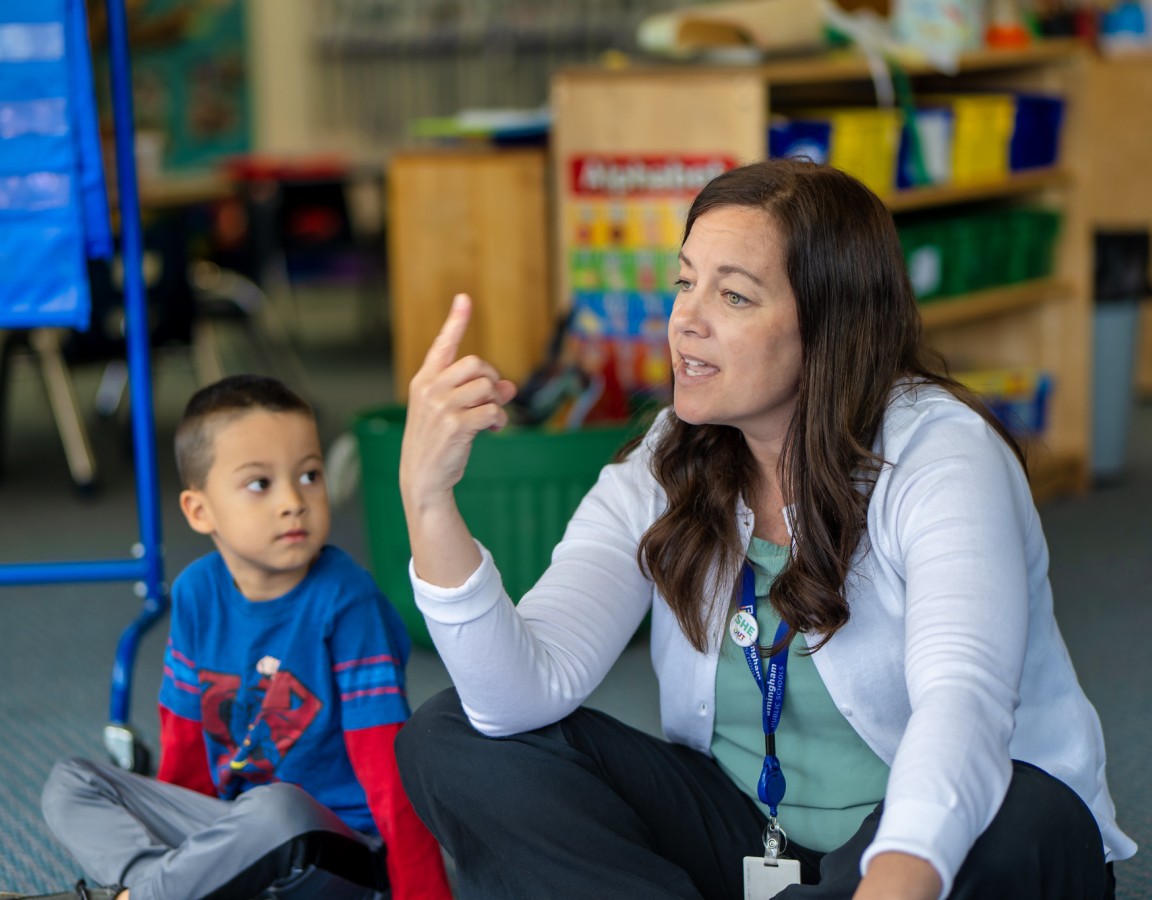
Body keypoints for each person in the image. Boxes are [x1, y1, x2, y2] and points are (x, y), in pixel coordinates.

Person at [392, 159, 1136, 900]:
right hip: (748, 833)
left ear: (830, 324)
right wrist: (428, 502)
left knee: (1019, 816)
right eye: (685, 282)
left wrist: (893, 884)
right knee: (451, 735)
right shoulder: (668, 455)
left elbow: (962, 703)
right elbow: (519, 695)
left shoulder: (941, 454)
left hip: (918, 842)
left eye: (735, 295)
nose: (686, 317)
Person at [0, 375, 452, 900]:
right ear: (199, 510)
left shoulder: (348, 602)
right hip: (231, 833)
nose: (293, 501)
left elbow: (388, 768)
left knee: (275, 808)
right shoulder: (197, 592)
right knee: (71, 784)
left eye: (310, 475)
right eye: (260, 484)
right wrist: (199, 859)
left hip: (334, 850)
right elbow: (183, 739)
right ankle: (170, 889)